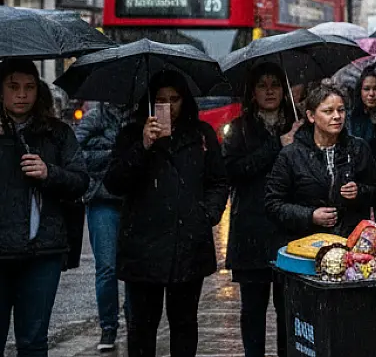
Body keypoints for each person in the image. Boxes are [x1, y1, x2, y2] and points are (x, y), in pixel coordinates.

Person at [105, 70, 229, 357]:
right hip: (143, 247)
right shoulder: (131, 134)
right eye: (161, 100)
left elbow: (218, 181)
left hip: (188, 245)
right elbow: (114, 181)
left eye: (174, 99)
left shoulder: (202, 134)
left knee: (184, 324)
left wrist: (206, 214)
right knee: (142, 327)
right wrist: (143, 146)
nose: (169, 106)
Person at [0, 59, 89, 357]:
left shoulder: (57, 133)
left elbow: (80, 181)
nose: (21, 95)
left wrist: (50, 173)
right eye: (13, 87)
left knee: (34, 341)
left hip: (42, 253)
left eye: (29, 87)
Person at [222, 64, 301, 357]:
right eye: (262, 85)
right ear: (253, 93)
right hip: (251, 229)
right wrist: (276, 145)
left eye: (275, 85)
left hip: (287, 230)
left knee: (289, 309)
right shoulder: (239, 129)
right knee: (252, 309)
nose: (269, 91)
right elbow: (234, 171)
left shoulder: (298, 126)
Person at [265, 83, 376, 239]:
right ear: (311, 116)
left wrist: (360, 191)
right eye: (328, 111)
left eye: (341, 110)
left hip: (349, 242)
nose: (337, 116)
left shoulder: (358, 148)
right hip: (307, 242)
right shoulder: (291, 155)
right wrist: (310, 215)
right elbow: (273, 204)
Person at [75, 101, 133, 352]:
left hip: (134, 201)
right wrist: (111, 153)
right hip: (102, 200)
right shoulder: (93, 118)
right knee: (107, 267)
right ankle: (108, 326)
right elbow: (75, 154)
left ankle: (135, 320)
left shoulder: (140, 117)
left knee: (135, 267)